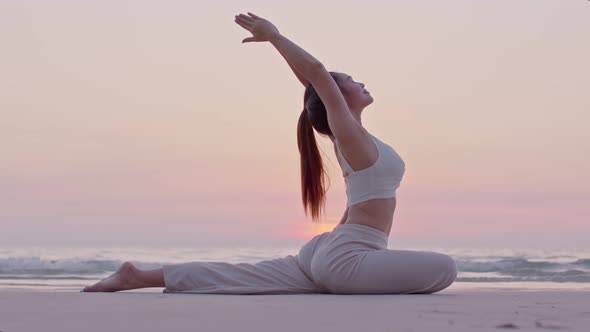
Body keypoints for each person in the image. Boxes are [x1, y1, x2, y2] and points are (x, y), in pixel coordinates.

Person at [81, 12, 457, 294]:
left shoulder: (357, 138)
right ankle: (334, 280)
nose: (361, 81)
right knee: (446, 269)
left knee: (243, 275)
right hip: (347, 256)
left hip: (332, 247)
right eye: (351, 81)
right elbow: (316, 74)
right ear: (338, 98)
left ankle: (139, 276)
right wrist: (276, 38)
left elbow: (316, 84)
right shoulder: (349, 135)